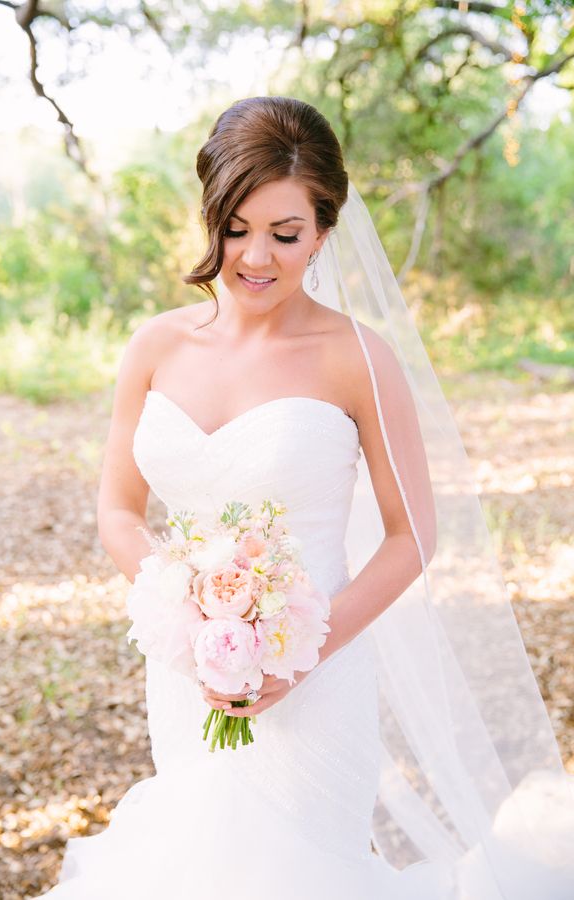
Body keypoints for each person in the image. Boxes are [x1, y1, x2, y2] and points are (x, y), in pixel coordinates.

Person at [34, 96, 574, 899]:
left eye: (285, 235)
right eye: (237, 227)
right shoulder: (154, 346)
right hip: (192, 673)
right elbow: (118, 509)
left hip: (317, 680)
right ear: (210, 214)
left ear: (323, 230)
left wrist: (297, 659)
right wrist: (192, 618)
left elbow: (412, 536)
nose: (256, 257)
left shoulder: (359, 358)